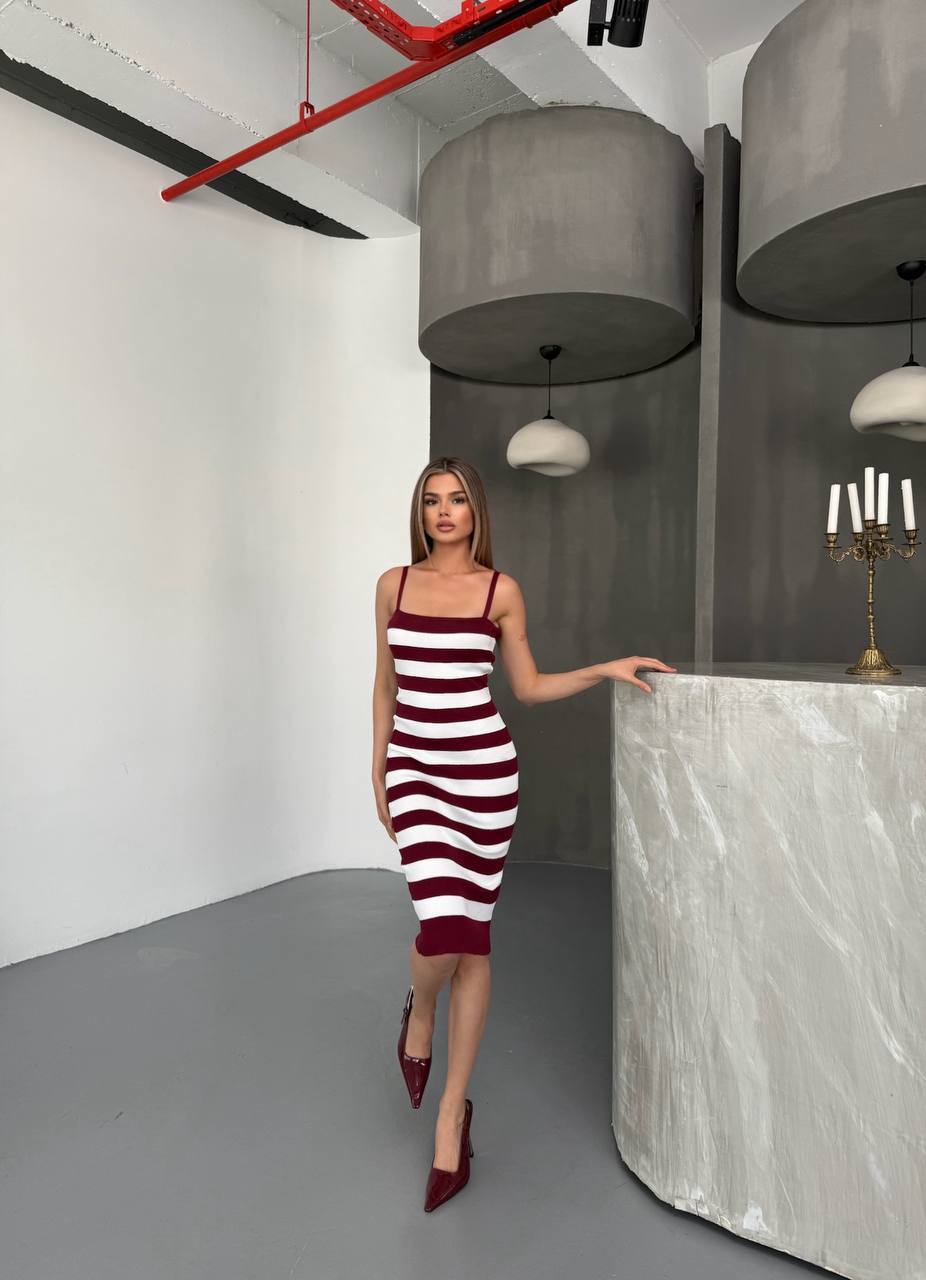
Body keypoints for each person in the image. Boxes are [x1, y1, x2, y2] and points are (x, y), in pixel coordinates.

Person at [371, 456, 676, 1212]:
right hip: (416, 773)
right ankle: (420, 1011)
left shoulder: (500, 591)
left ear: (476, 512)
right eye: (432, 500)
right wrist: (378, 771)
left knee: (471, 943)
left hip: (485, 781)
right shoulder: (393, 585)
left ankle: (453, 1113)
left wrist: (602, 668)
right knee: (442, 933)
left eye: (458, 500)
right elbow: (385, 684)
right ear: (420, 512)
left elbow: (528, 687)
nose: (445, 511)